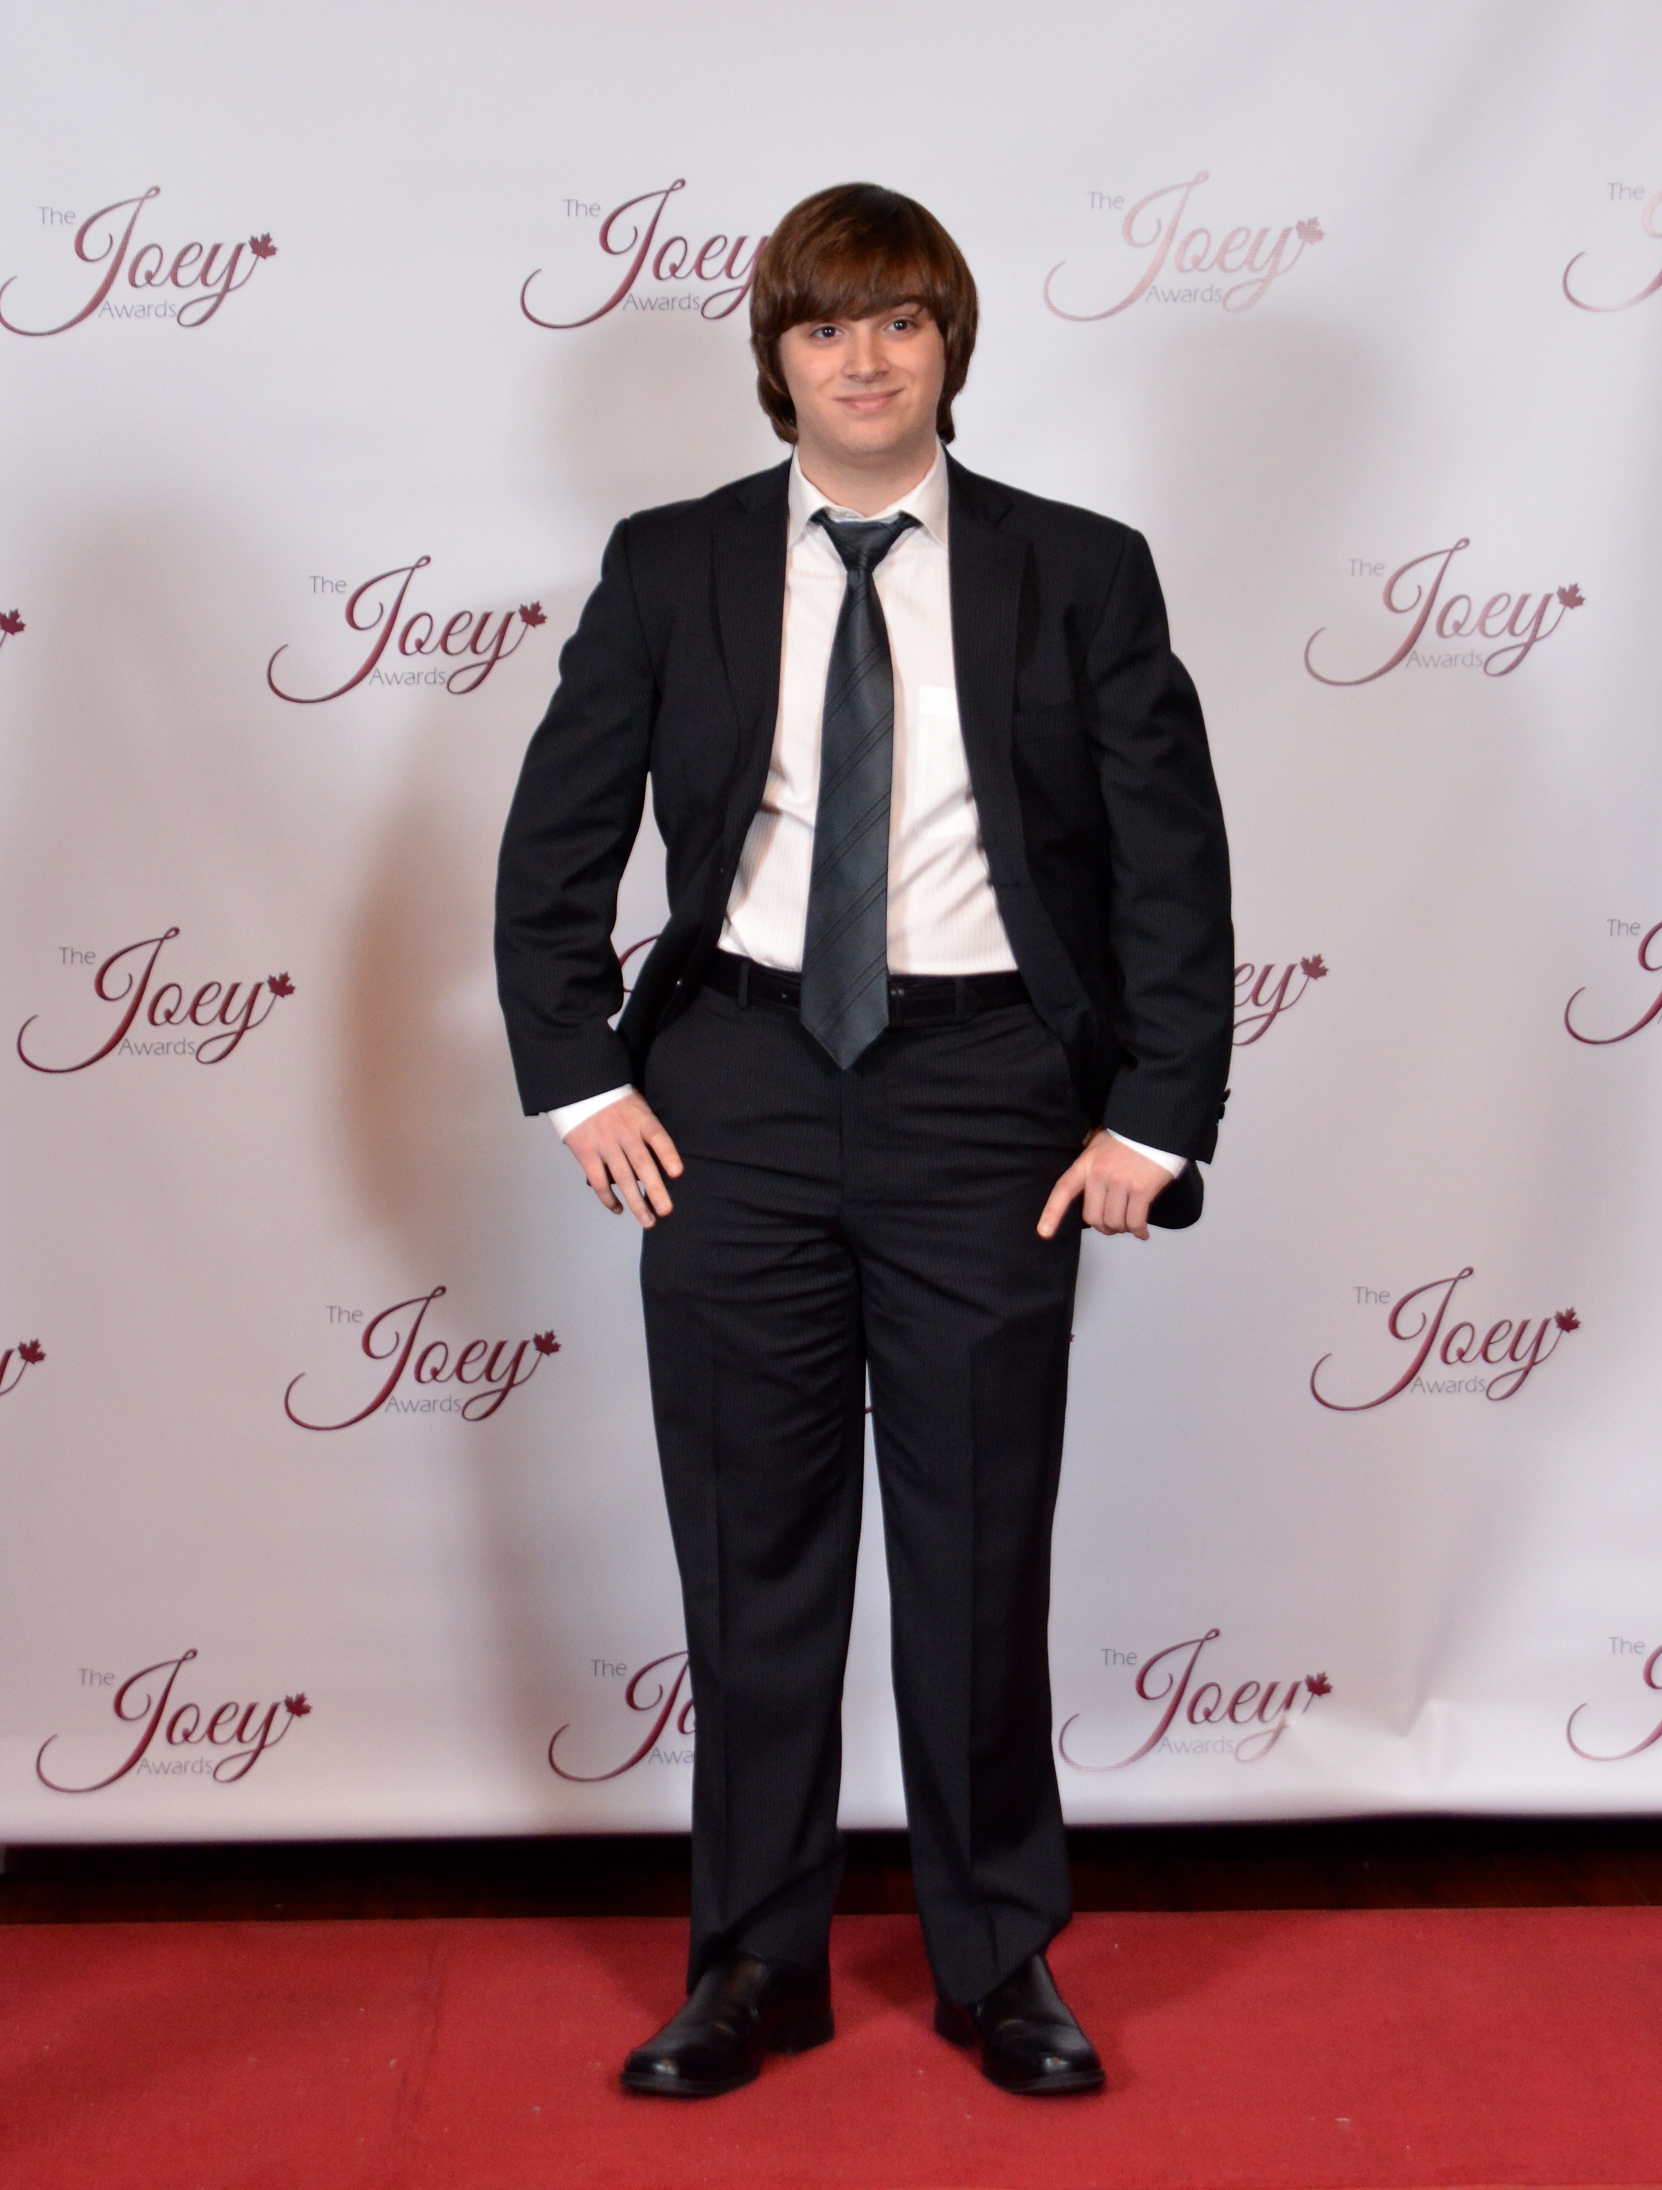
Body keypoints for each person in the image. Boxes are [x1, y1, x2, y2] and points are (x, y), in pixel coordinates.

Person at [495, 182, 1233, 2100]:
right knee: (751, 1558)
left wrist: (1156, 1108)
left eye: (901, 320)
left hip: (988, 1097)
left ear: (950, 345)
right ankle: (753, 1960)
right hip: (732, 1090)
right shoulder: (669, 567)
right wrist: (583, 1079)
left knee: (980, 1545)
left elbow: (1170, 864)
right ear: (778, 358)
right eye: (827, 325)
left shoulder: (1080, 569)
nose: (865, 355)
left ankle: (1001, 1959)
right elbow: (552, 851)